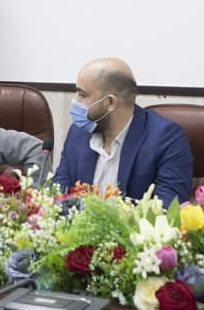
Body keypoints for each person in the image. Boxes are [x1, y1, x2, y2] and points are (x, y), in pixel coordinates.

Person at [52, 58, 193, 206]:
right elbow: (57, 195)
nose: (75, 101)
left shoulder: (167, 139)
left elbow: (166, 208)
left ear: (110, 102)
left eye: (82, 95)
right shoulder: (78, 133)